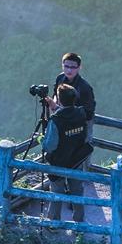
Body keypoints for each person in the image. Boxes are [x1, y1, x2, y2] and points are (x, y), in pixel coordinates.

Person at [42, 84, 91, 222]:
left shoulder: (56, 120)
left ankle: (54, 223)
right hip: (77, 158)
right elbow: (84, 135)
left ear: (59, 100)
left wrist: (42, 140)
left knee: (56, 193)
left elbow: (49, 146)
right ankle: (79, 222)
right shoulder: (81, 113)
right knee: (77, 191)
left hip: (59, 162)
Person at [45, 52, 95, 141]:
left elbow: (89, 113)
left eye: (73, 67)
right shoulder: (60, 78)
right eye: (66, 66)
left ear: (79, 67)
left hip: (80, 128)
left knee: (81, 148)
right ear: (62, 66)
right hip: (64, 123)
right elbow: (55, 94)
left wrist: (58, 109)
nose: (69, 70)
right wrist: (53, 103)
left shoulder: (84, 88)